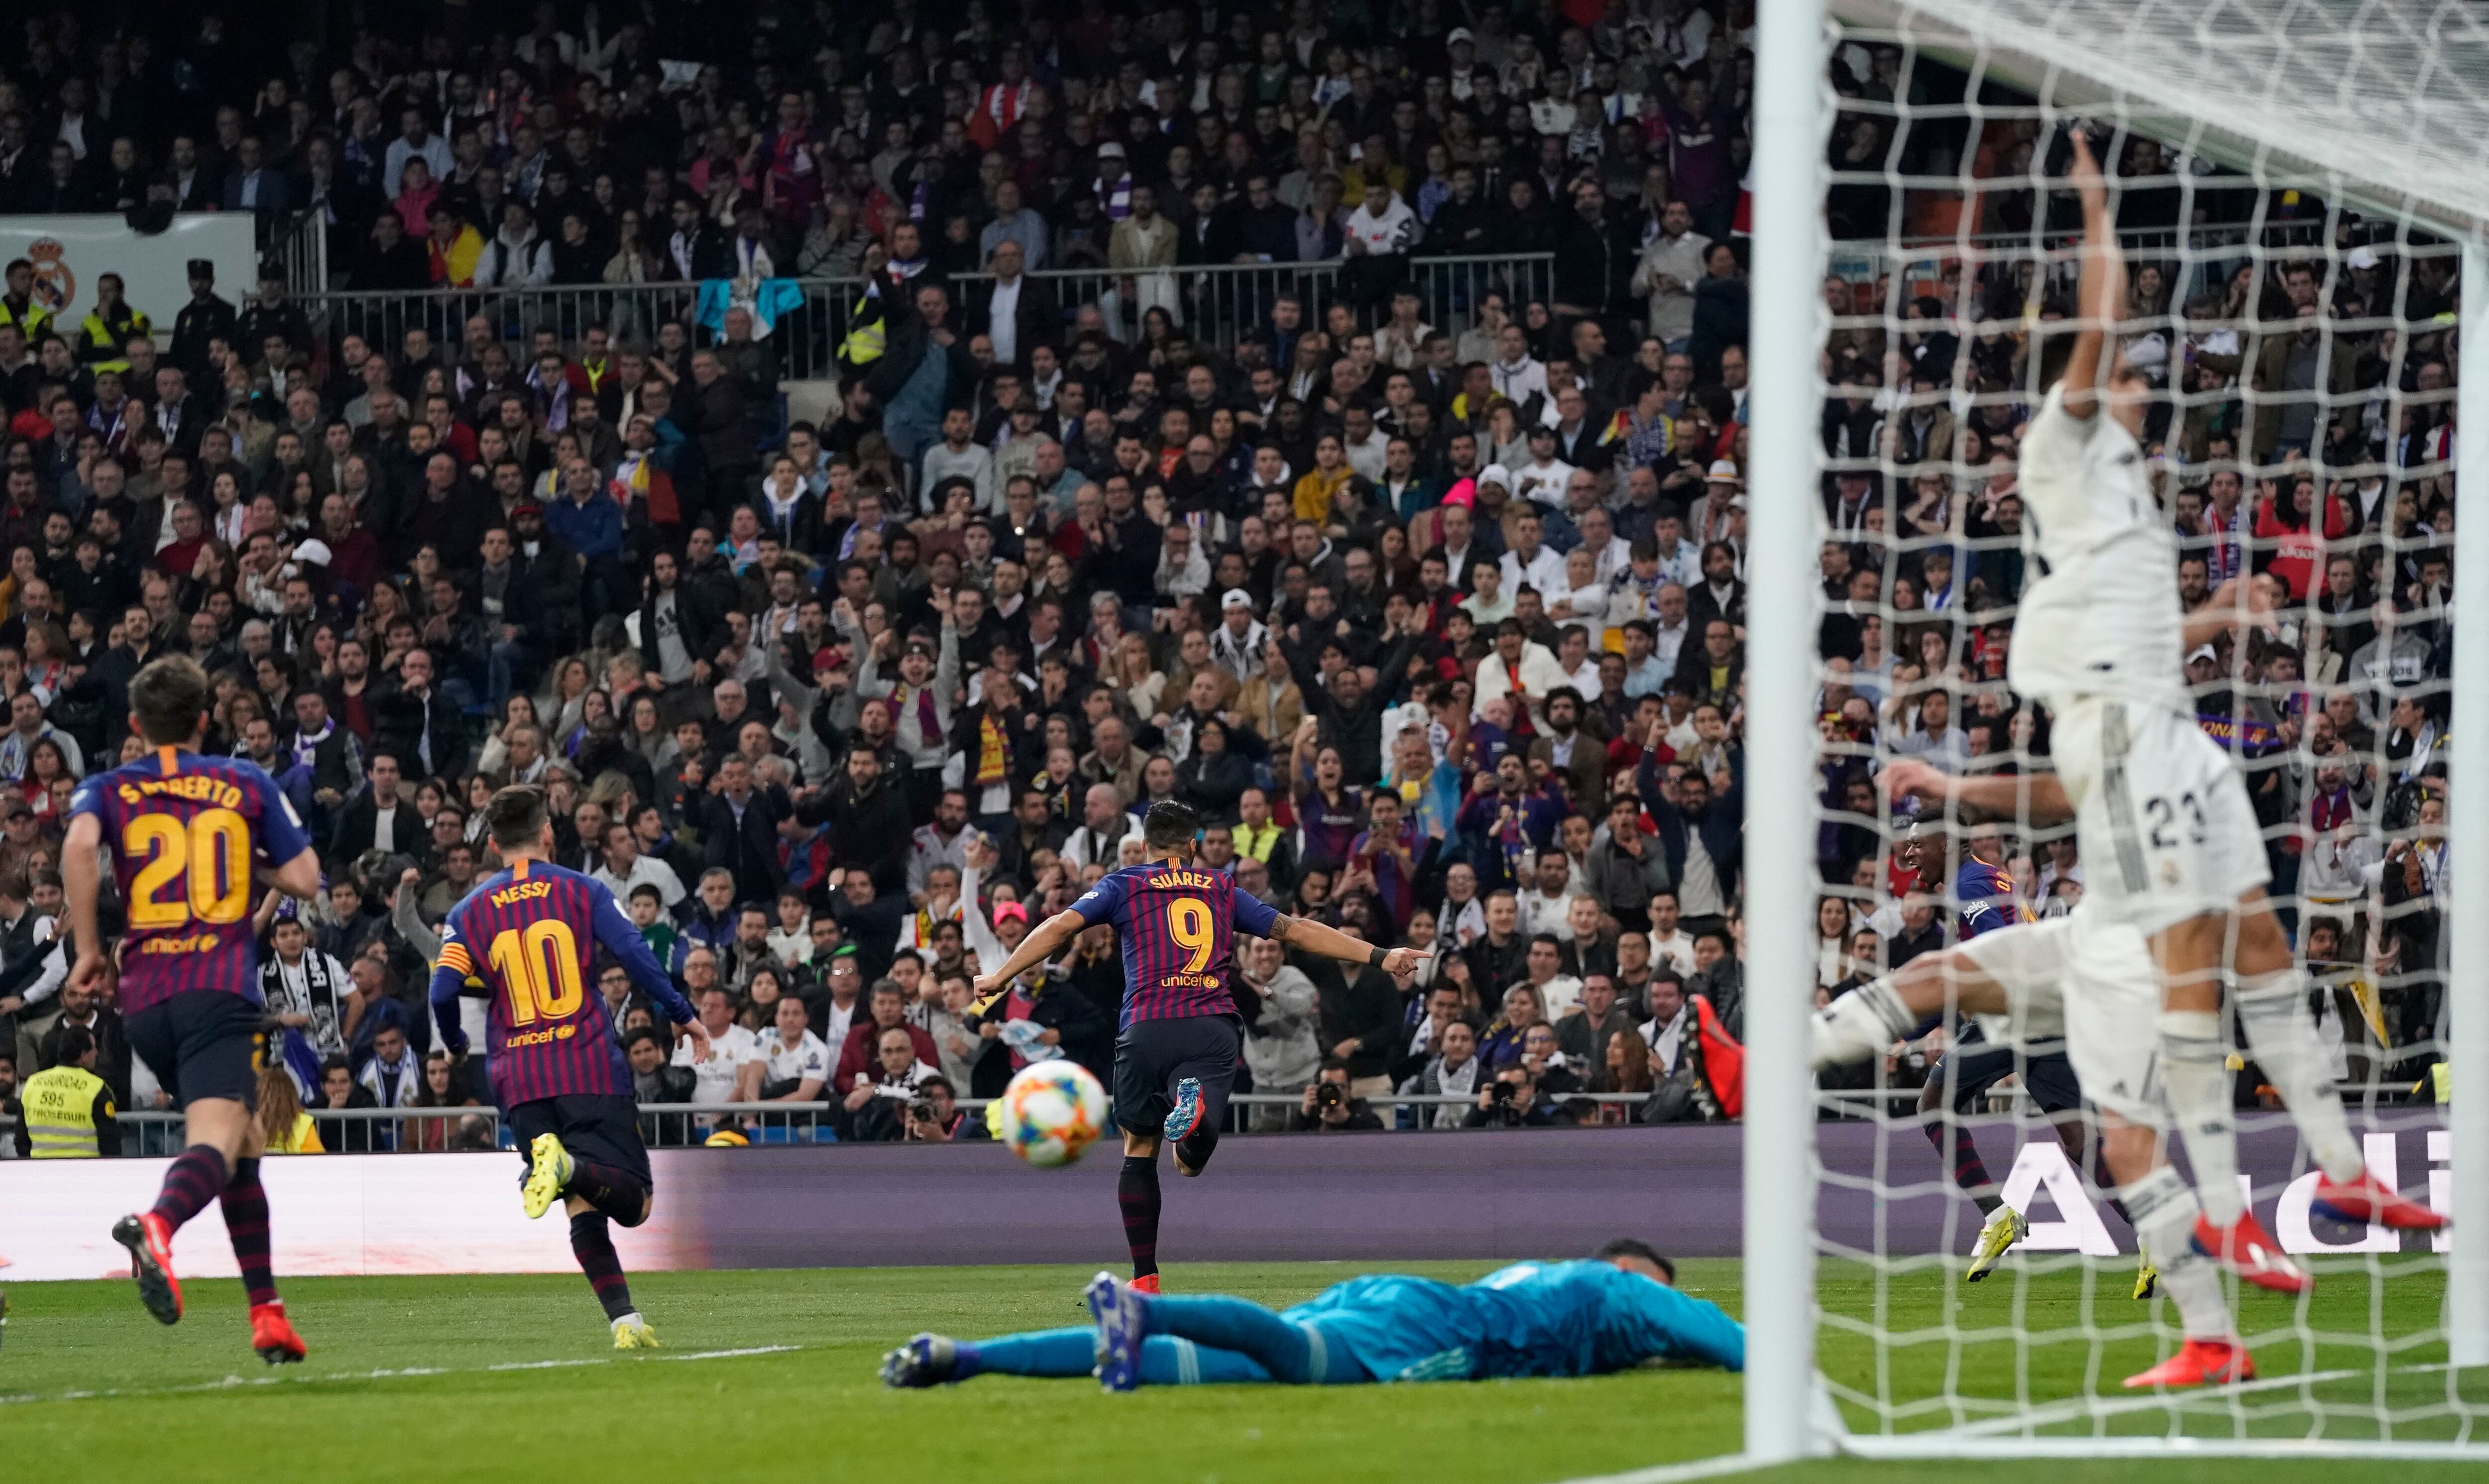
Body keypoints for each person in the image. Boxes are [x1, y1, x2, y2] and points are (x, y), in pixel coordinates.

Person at [2009, 133, 2432, 1338]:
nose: (2140, 387)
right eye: (2124, 378)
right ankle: (2220, 1206)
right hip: (2123, 749)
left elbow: (2141, 631)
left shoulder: (2126, 489)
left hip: (2170, 732)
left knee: (2259, 936)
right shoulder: (2061, 441)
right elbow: (2100, 314)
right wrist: (2095, 203)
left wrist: (2216, 615)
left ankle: (2340, 1168)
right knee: (2193, 960)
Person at [972, 799, 1429, 1292]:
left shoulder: (1122, 884)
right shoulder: (1221, 886)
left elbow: (1060, 925)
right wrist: (1380, 955)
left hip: (1146, 1027)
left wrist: (1001, 975)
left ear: (1144, 845)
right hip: (1209, 1025)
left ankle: (1145, 1278)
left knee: (1138, 1150)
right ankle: (1190, 1122)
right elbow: (1297, 930)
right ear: (1193, 846)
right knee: (1189, 1164)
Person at [66, 656, 321, 1363]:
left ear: (137, 724)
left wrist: (88, 948)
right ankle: (158, 1224)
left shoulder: (107, 787)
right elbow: (305, 878)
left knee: (245, 1143)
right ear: (206, 719)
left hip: (145, 1002)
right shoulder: (243, 781)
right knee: (217, 1137)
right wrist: (245, 856)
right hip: (217, 990)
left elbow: (79, 847)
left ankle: (268, 1313)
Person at [427, 785, 710, 1350]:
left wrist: (455, 1042)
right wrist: (681, 1013)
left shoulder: (468, 911)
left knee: (582, 1201)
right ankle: (567, 1167)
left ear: (491, 844)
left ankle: (624, 1321)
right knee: (634, 1202)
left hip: (520, 1081)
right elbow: (634, 954)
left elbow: (441, 991)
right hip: (586, 1066)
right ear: (548, 832)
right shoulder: (583, 890)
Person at [883, 1238, 1741, 1390]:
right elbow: (1716, 1331)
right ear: (1630, 1269)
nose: (1659, 1302)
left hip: (1396, 1296)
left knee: (1204, 1369)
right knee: (1297, 1359)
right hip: (1427, 1329)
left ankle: (966, 1356)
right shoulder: (1617, 1288)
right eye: (1656, 1283)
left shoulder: (1535, 1274)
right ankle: (1145, 1311)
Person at [13, 1022, 118, 1157]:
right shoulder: (96, 1088)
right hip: (85, 1167)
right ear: (83, 1055)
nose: (96, 1053)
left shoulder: (33, 1084)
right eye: (93, 1048)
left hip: (41, 1166)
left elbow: (21, 1139)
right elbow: (110, 1142)